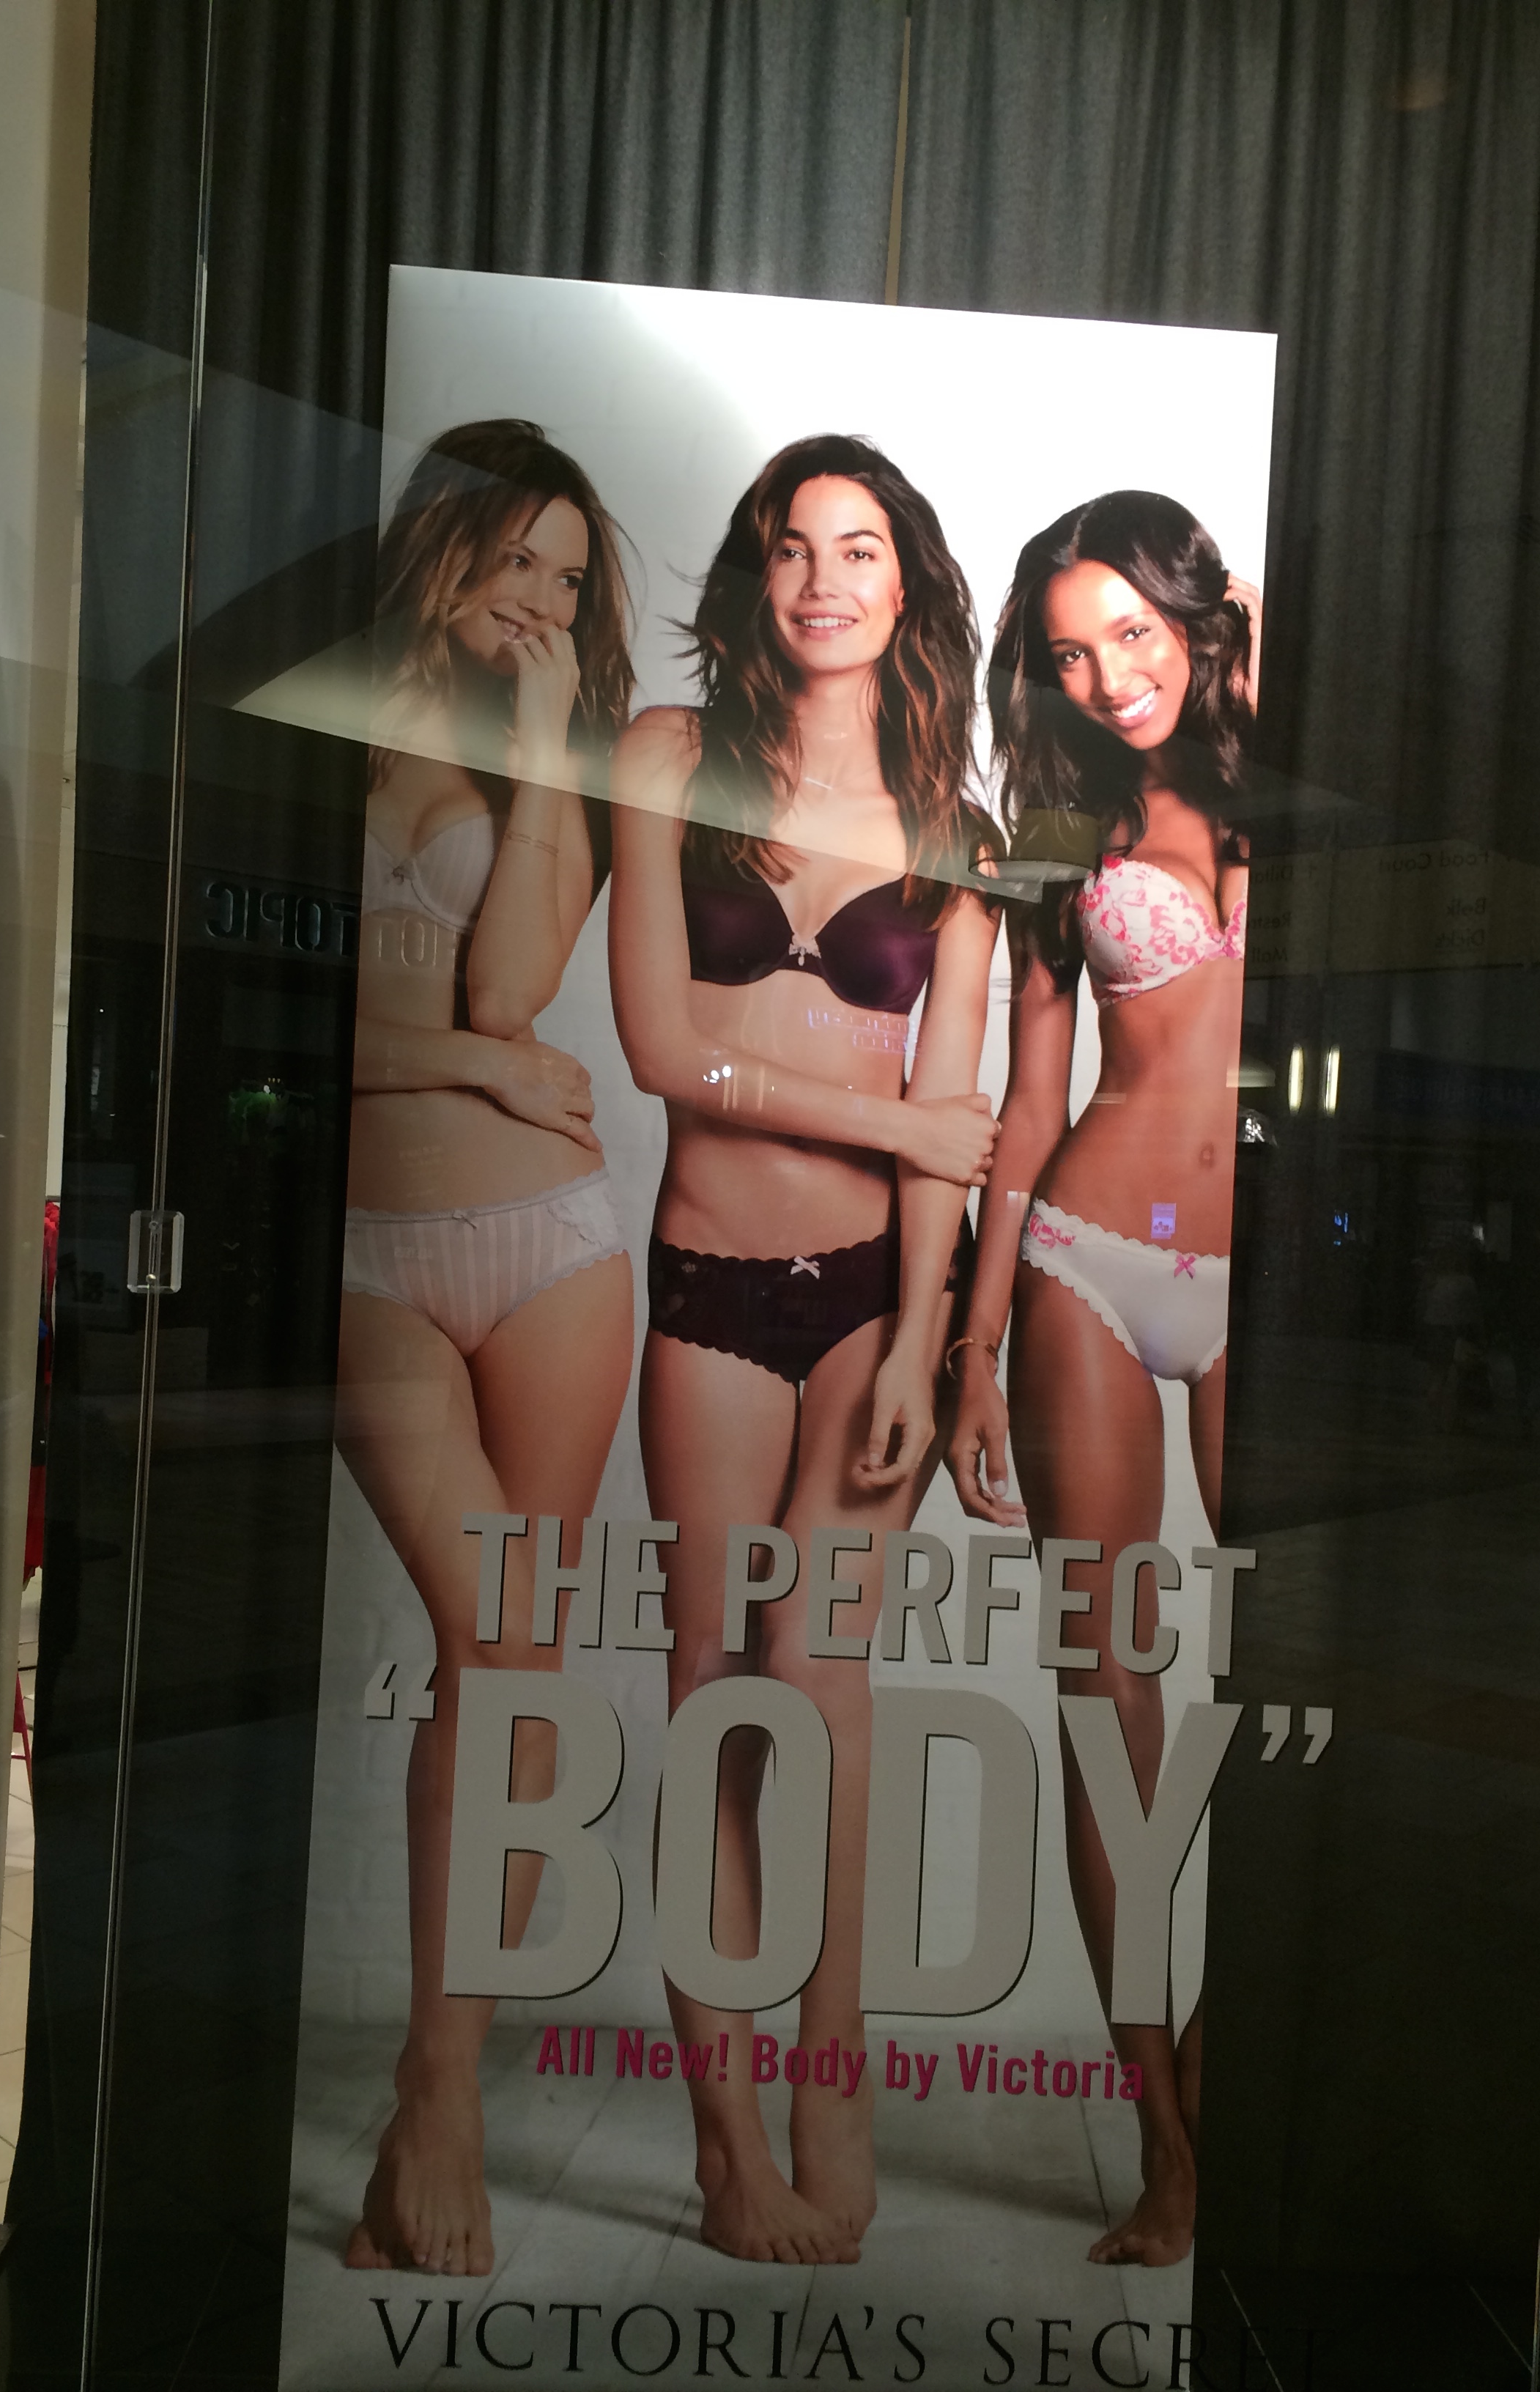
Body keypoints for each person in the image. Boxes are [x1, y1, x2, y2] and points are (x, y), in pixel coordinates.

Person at [609, 434, 1002, 2266]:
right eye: (790, 548)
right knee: (715, 1697)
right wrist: (904, 1122)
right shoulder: (666, 758)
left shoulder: (957, 835)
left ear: (906, 582)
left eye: (856, 548)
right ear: (755, 578)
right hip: (706, 1282)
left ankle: (831, 2076)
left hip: (867, 1302)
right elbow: (657, 1046)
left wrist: (922, 1341)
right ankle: (726, 2137)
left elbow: (954, 1124)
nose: (822, 580)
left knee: (820, 1683)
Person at [947, 490, 1261, 2269]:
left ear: (1197, 619)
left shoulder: (1281, 773)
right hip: (1086, 1259)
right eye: (1067, 653)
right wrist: (971, 1350)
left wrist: (1244, 635)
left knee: (1283, 1673)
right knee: (1105, 1691)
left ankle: (1231, 2065)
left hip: (1254, 1283)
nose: (1108, 677)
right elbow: (1029, 1099)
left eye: (1133, 633)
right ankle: (1162, 2137)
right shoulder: (1063, 819)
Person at [338, 420, 636, 2278]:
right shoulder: (318, 725)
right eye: (518, 558)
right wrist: (469, 1062)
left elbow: (521, 986)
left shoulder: (547, 764)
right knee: (489, 1633)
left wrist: (538, 748)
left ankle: (438, 2087)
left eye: (571, 582)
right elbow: (296, 1025)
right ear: (443, 546)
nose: (540, 600)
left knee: (509, 1659)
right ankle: (434, 2094)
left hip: (556, 1257)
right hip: (367, 1259)